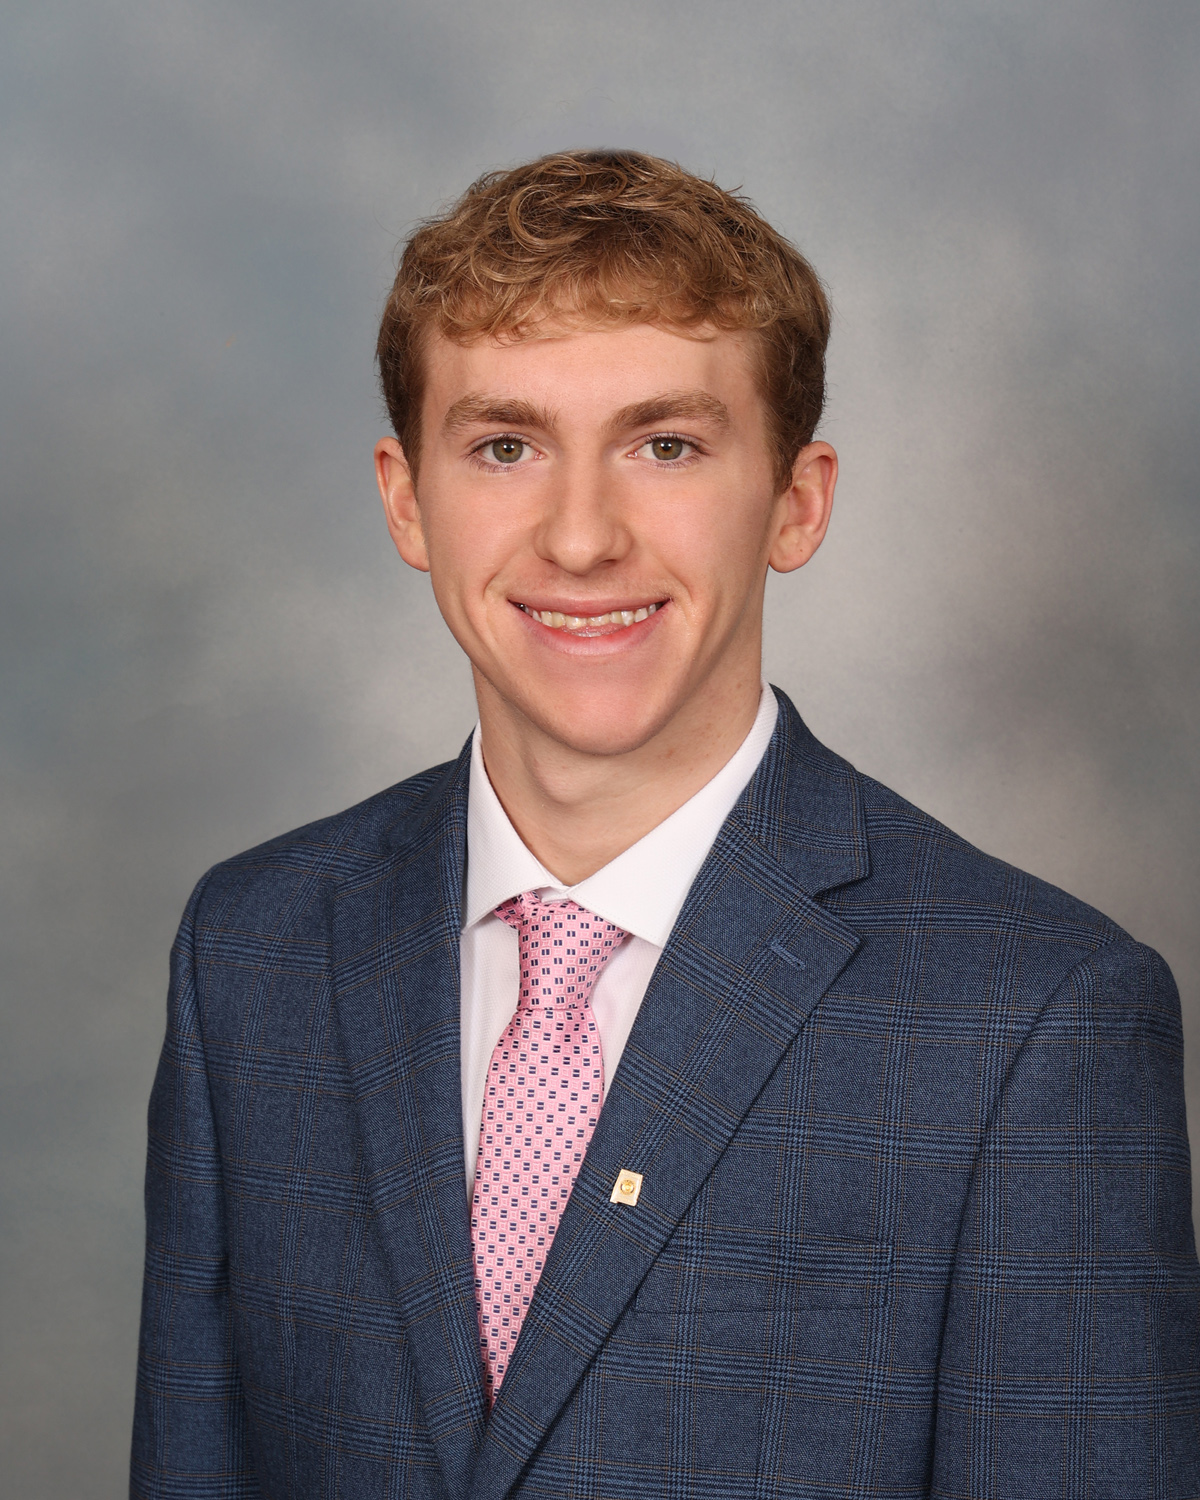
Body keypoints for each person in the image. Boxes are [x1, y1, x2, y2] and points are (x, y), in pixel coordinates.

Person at [131, 150, 1200, 1499]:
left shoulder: (1033, 1018)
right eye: (506, 446)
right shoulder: (254, 951)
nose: (581, 538)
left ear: (797, 501)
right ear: (407, 500)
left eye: (666, 446)